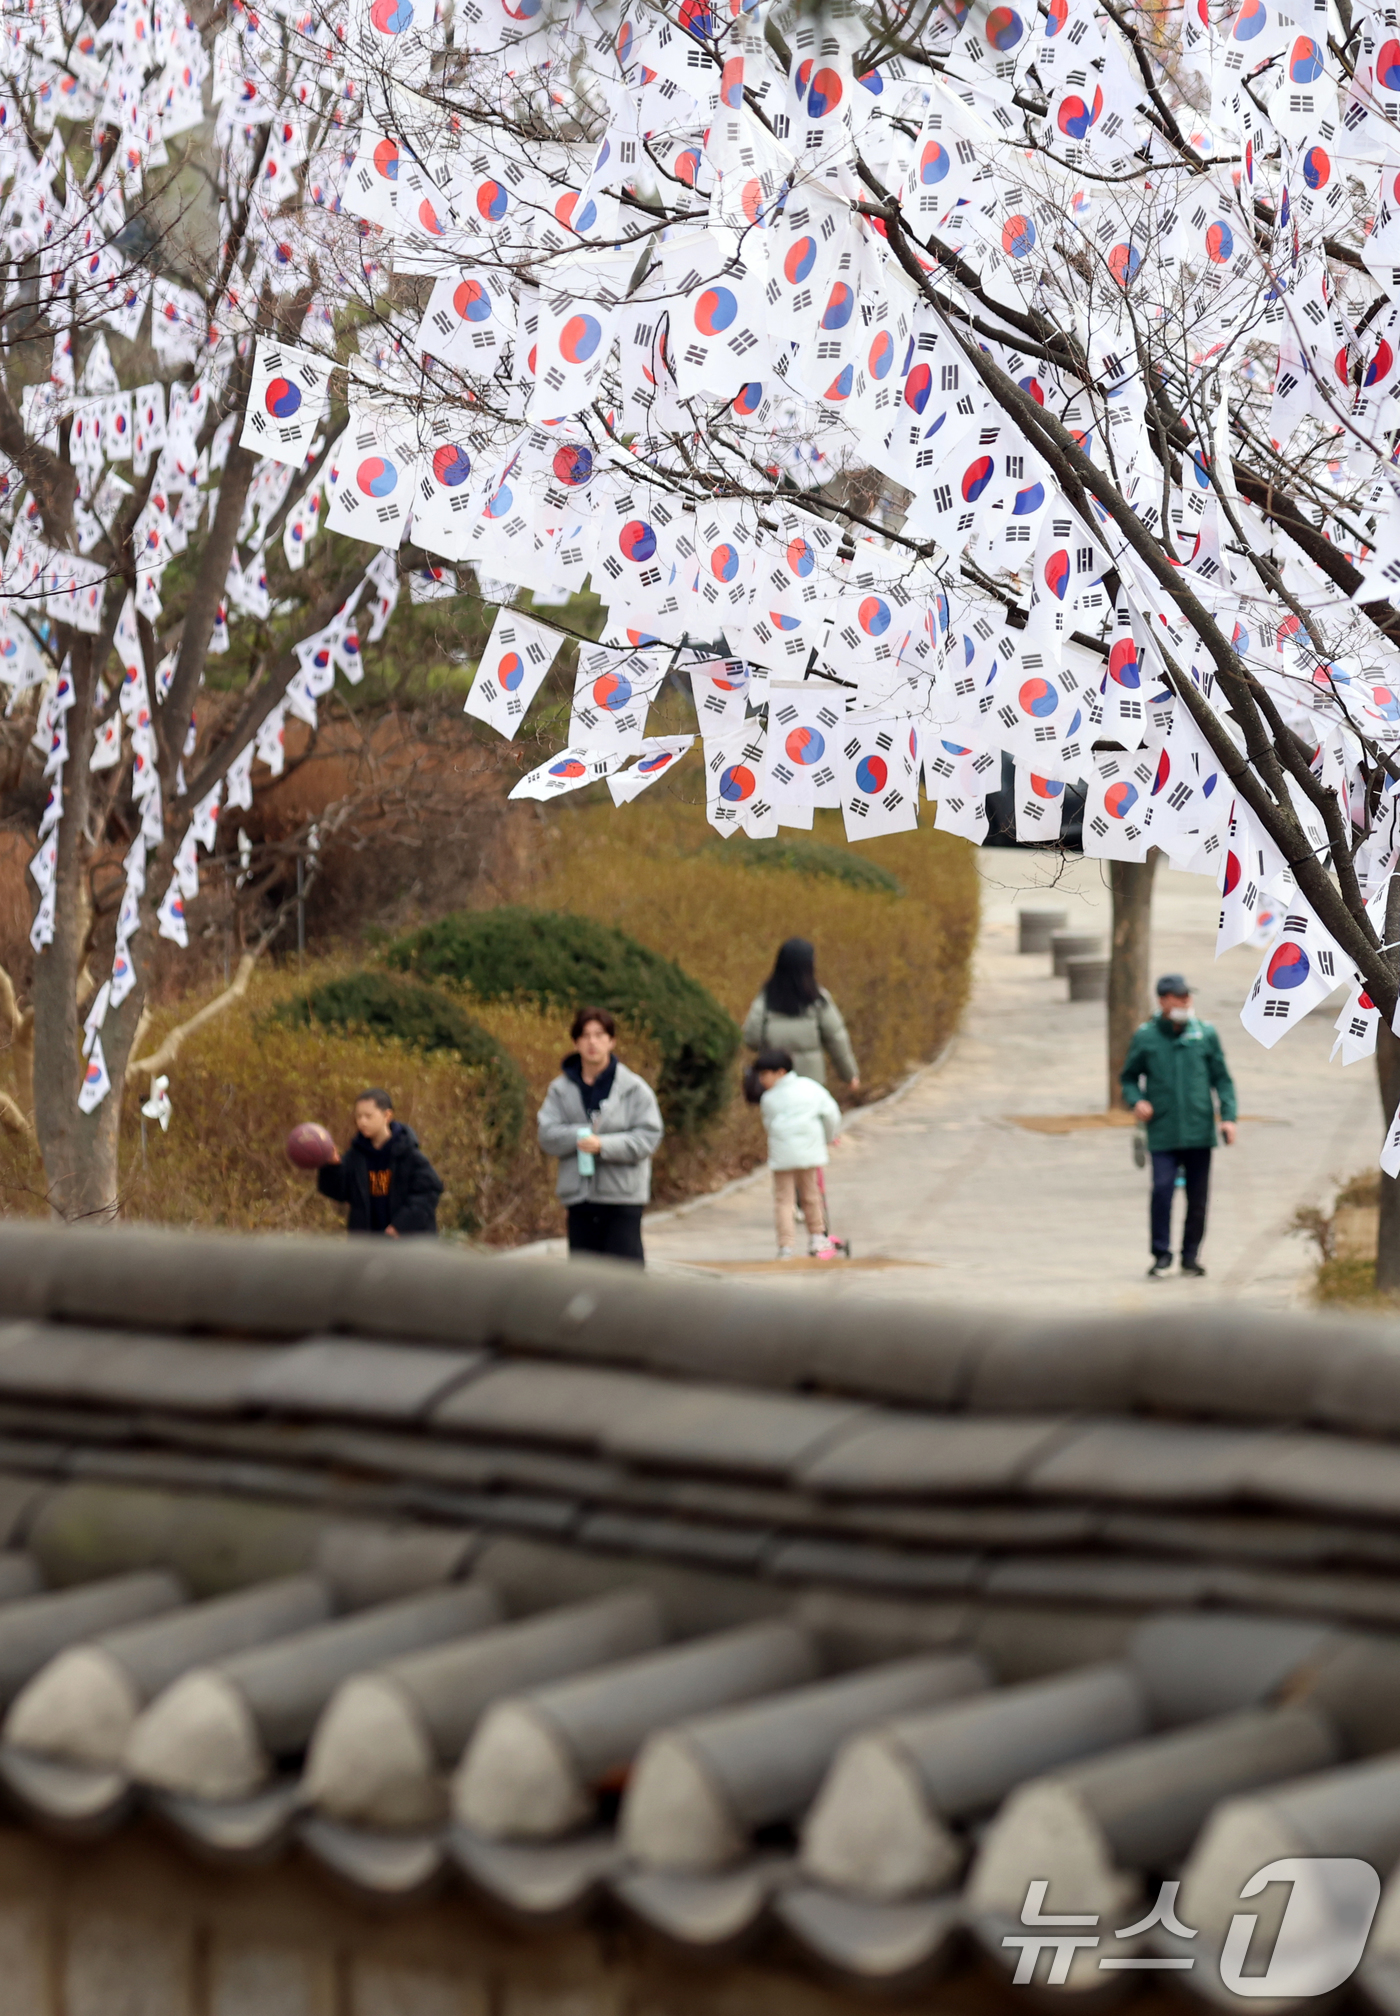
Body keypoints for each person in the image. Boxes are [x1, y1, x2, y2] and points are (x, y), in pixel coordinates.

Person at [1120, 975, 1238, 1280]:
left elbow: (1222, 1079)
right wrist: (1137, 1101)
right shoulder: (1146, 1037)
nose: (1186, 1002)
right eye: (1179, 997)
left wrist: (1228, 1117)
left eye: (1188, 996)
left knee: (1198, 1200)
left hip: (1199, 1131)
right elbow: (1129, 1077)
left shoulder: (1205, 1034)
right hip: (1163, 1131)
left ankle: (1190, 1256)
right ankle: (1161, 1255)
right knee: (1162, 1192)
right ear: (1163, 1001)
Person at [538, 1006, 664, 1264]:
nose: (592, 1042)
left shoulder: (634, 1088)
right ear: (575, 1042)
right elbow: (547, 1134)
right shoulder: (560, 1089)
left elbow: (648, 1136)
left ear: (611, 1041)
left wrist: (603, 1145)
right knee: (585, 1280)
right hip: (579, 1199)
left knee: (626, 1282)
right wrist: (580, 1136)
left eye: (599, 1034)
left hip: (622, 1198)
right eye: (585, 1035)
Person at [754, 1047, 846, 1259]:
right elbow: (831, 1113)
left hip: (782, 1156)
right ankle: (817, 1238)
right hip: (810, 1152)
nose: (761, 1080)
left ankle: (786, 1247)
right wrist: (828, 1136)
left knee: (783, 1201)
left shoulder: (769, 1099)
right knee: (811, 1195)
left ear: (780, 1072)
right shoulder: (810, 1087)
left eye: (764, 1074)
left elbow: (768, 1124)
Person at [316, 1088, 443, 1236]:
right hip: (367, 1245)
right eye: (358, 1116)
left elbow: (428, 1193)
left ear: (387, 1115)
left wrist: (401, 1225)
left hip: (407, 1245)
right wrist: (332, 1166)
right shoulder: (356, 1155)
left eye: (368, 1116)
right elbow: (338, 1191)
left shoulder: (408, 1154)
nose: (362, 1122)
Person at [742, 938, 860, 1092]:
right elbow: (836, 1038)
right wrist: (849, 1075)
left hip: (775, 1084)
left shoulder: (766, 999)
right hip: (811, 1085)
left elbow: (751, 1038)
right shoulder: (818, 999)